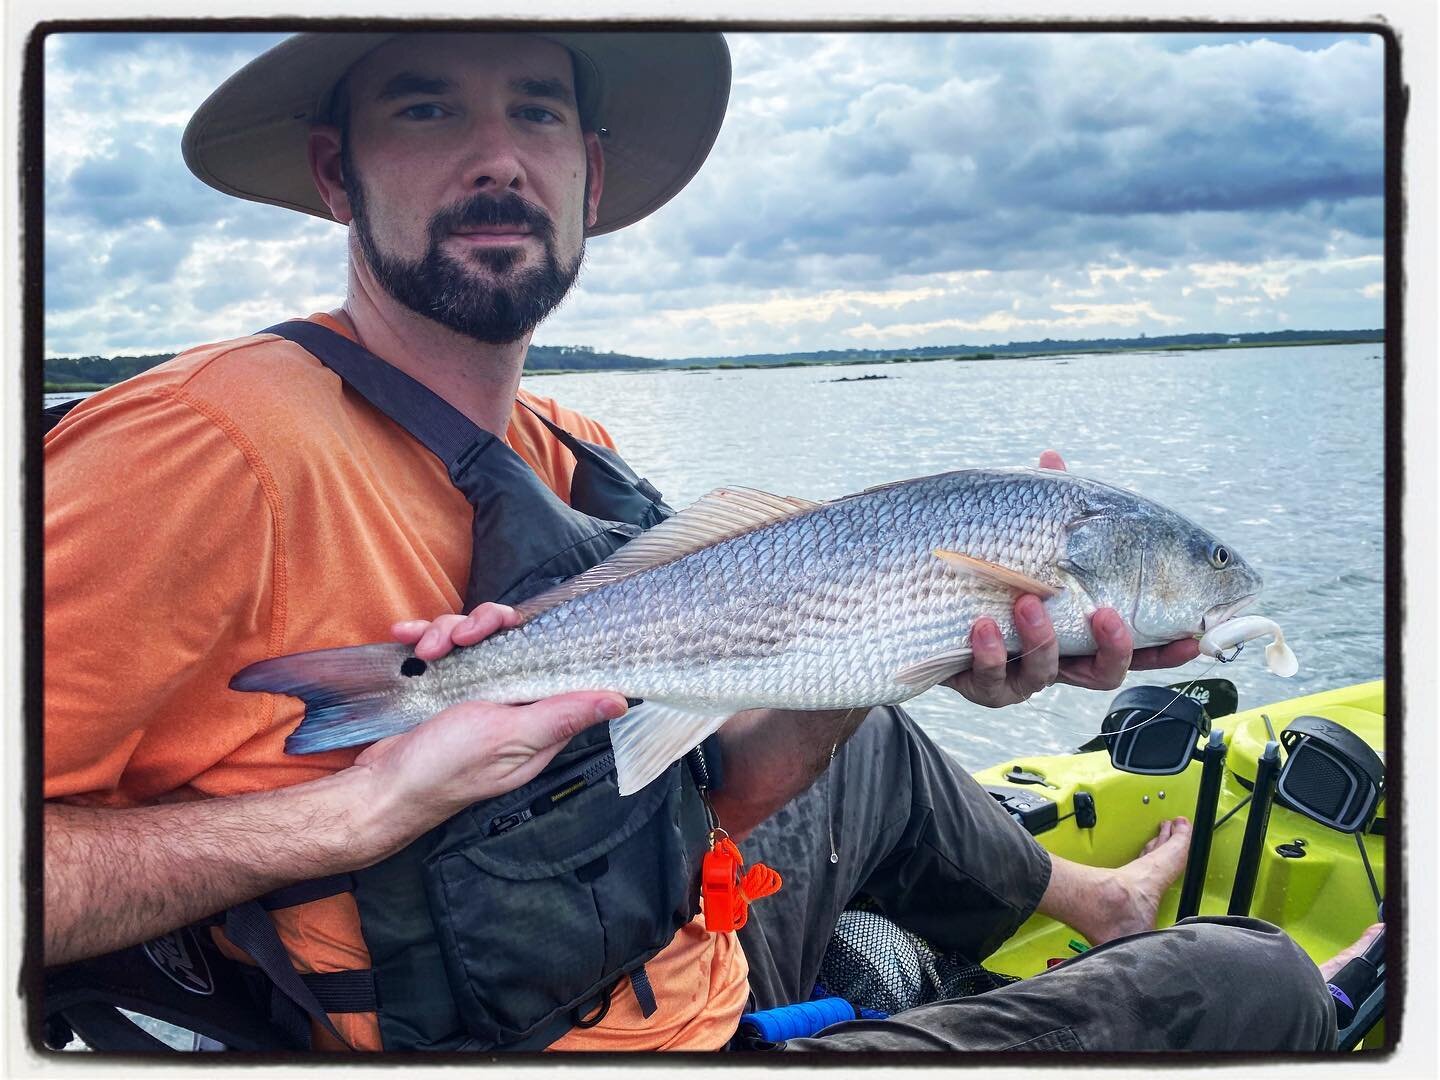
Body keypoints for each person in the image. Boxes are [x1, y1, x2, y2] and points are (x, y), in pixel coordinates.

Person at [43, 30, 1343, 1053]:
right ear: (338, 170)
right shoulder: (201, 451)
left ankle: (1092, 900)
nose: (497, 159)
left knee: (875, 730)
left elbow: (704, 792)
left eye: (537, 113)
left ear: (589, 177)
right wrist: (350, 814)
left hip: (658, 941)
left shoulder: (569, 445)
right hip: (566, 1037)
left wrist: (887, 647)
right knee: (1259, 983)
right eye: (428, 108)